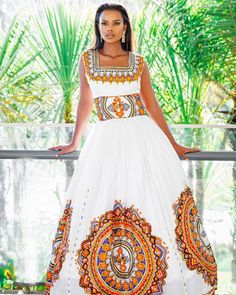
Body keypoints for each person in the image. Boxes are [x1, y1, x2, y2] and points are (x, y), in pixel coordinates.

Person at [45, 3, 218, 295]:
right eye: (104, 23)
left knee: (149, 201)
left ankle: (158, 280)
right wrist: (75, 142)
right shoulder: (87, 60)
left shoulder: (138, 61)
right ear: (97, 27)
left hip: (143, 139)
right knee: (103, 203)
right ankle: (108, 280)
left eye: (115, 23)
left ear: (125, 27)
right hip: (104, 141)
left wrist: (173, 144)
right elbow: (85, 102)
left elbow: (151, 105)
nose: (109, 29)